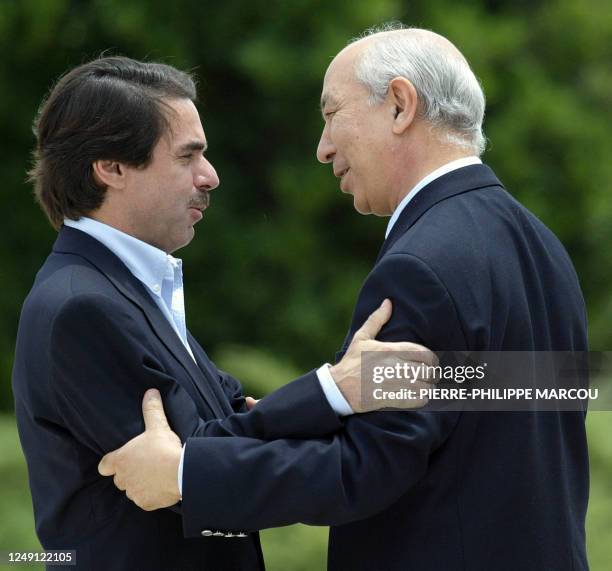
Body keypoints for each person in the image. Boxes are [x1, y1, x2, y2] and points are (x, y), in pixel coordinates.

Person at [101, 25, 590, 571]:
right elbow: (480, 406)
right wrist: (312, 413)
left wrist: (186, 473)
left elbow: (368, 469)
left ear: (400, 106)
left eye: (332, 114)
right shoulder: (541, 245)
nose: (323, 147)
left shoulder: (421, 266)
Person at [11, 56, 436, 571]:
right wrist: (333, 389)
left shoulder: (122, 290)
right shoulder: (82, 308)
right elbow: (193, 470)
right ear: (111, 167)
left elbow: (223, 432)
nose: (209, 176)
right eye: (188, 156)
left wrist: (282, 410)